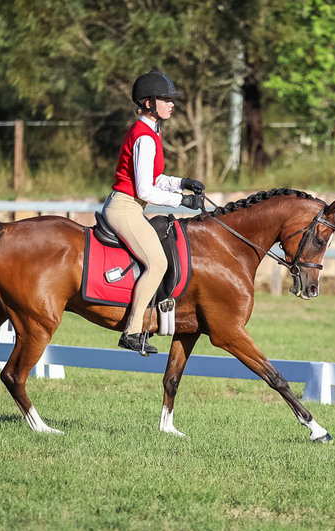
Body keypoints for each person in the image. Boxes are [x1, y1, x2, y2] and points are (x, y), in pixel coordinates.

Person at [104, 70, 205, 355]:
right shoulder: (145, 137)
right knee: (157, 263)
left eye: (171, 99)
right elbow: (145, 190)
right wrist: (181, 201)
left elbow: (155, 178)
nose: (172, 103)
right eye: (165, 99)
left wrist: (182, 183)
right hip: (125, 208)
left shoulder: (151, 132)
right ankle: (133, 330)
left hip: (132, 206)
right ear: (148, 102)